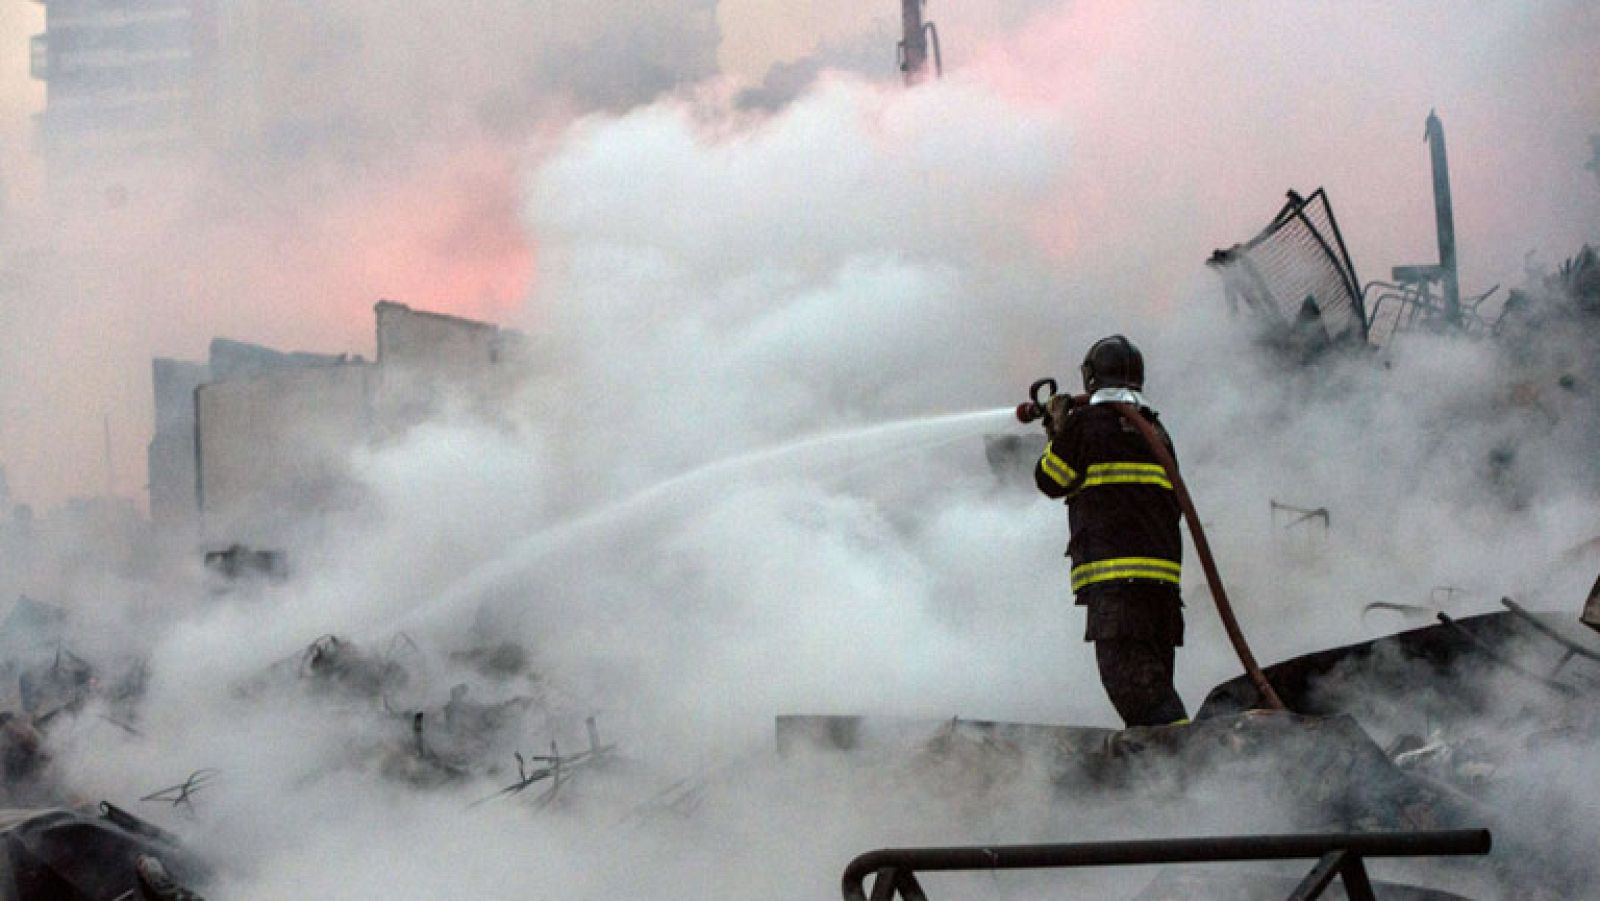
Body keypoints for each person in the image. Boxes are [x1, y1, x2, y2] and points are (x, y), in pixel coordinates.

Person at [1034, 335, 1188, 728]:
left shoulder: (1087, 425)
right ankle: (1166, 764)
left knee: (1139, 694)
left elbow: (1050, 480)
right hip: (1161, 589)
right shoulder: (1156, 430)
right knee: (1153, 685)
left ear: (1090, 377)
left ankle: (1196, 757)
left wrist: (1057, 431)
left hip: (1118, 585)